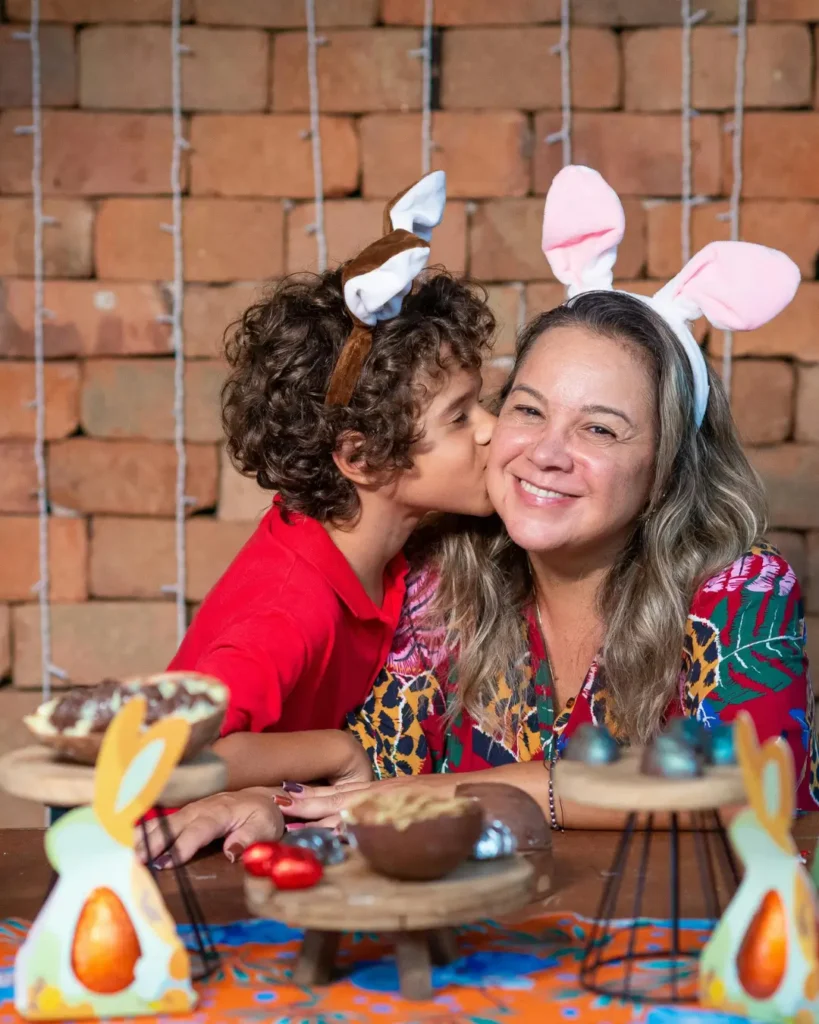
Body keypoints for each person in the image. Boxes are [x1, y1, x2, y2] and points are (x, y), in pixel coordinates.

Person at [150, 165, 813, 864]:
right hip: (497, 957)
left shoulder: (741, 589)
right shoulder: (439, 586)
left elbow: (744, 788)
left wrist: (469, 789)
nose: (540, 451)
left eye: (599, 429)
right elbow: (367, 783)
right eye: (527, 409)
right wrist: (272, 805)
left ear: (667, 465)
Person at [165, 170, 497, 793]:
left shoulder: (382, 552)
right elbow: (164, 762)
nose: (491, 430)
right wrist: (337, 753)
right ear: (361, 457)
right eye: (460, 416)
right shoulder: (291, 609)